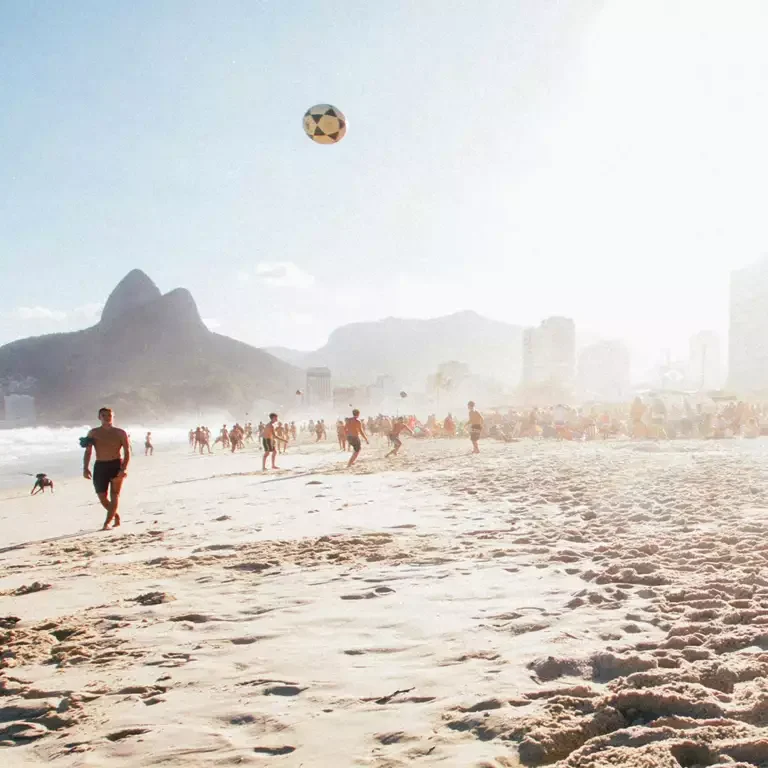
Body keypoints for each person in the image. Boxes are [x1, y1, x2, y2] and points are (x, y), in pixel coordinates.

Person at [82, 407, 130, 530]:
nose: (106, 417)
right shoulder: (93, 433)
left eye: (109, 415)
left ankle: (107, 523)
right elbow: (88, 452)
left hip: (116, 465)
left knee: (114, 494)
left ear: (113, 417)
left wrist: (123, 468)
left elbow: (127, 452)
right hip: (100, 465)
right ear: (99, 417)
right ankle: (115, 515)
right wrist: (85, 467)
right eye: (103, 415)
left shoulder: (120, 432)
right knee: (101, 496)